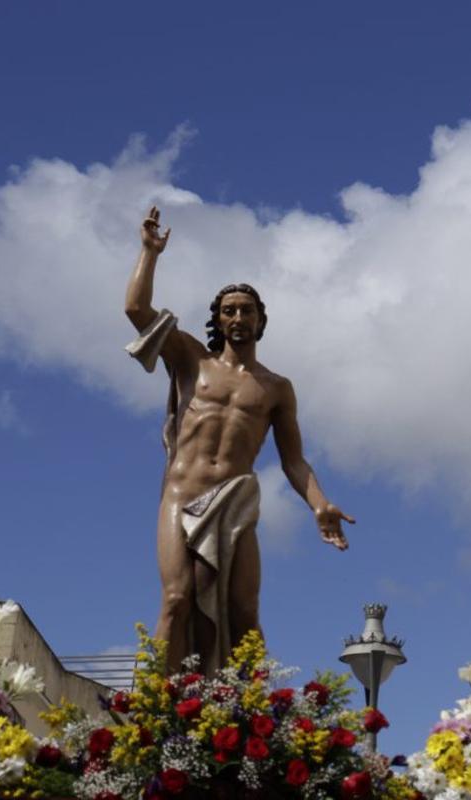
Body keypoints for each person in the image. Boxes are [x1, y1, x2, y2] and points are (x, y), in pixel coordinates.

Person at [124, 206, 354, 674]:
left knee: (245, 611)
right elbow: (136, 311)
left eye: (246, 310)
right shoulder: (192, 358)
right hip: (181, 494)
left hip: (234, 502)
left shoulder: (275, 387)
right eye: (228, 310)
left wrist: (319, 504)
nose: (237, 317)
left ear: (260, 319)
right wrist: (149, 254)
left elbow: (294, 461)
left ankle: (251, 713)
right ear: (218, 318)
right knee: (176, 599)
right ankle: (154, 706)